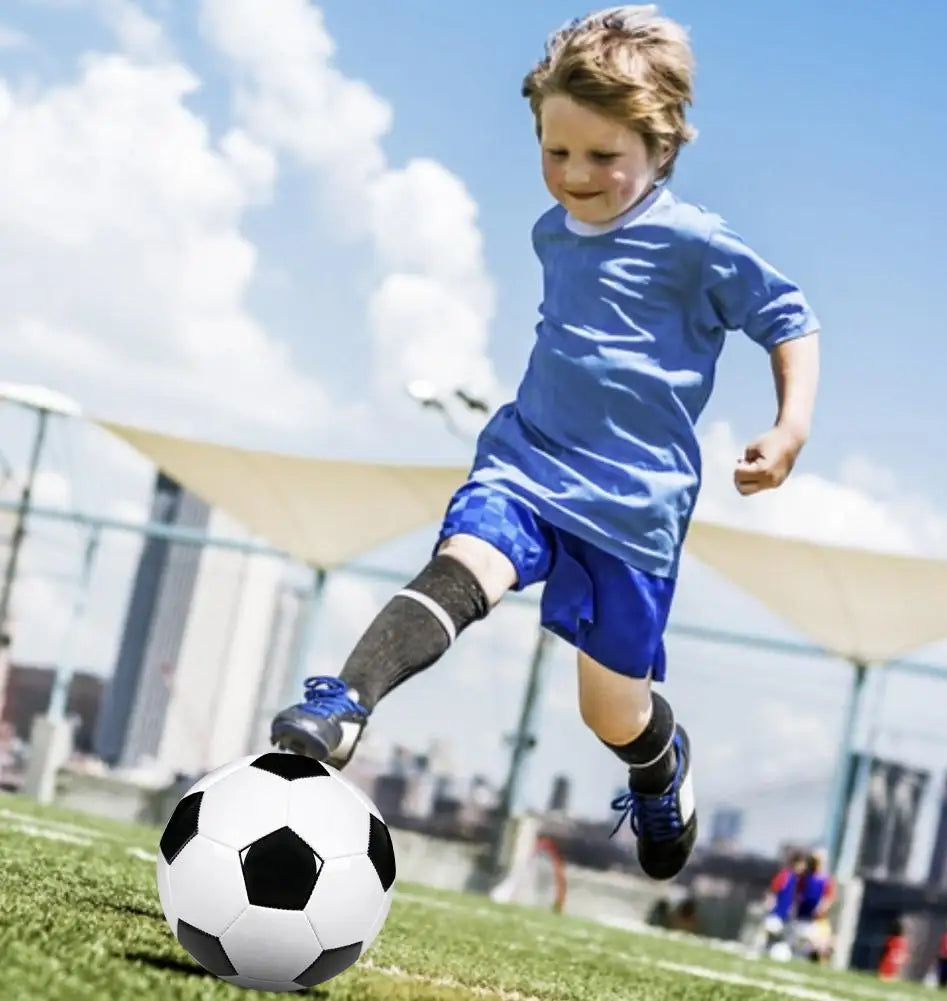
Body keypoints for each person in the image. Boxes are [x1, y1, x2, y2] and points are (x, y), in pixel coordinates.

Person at [270, 4, 820, 882]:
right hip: (526, 462)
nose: (574, 175)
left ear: (660, 147)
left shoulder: (697, 244)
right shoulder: (551, 231)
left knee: (610, 711)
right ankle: (345, 704)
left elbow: (789, 319)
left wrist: (789, 427)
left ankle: (659, 763)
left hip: (630, 509)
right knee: (463, 563)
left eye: (602, 156)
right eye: (555, 151)